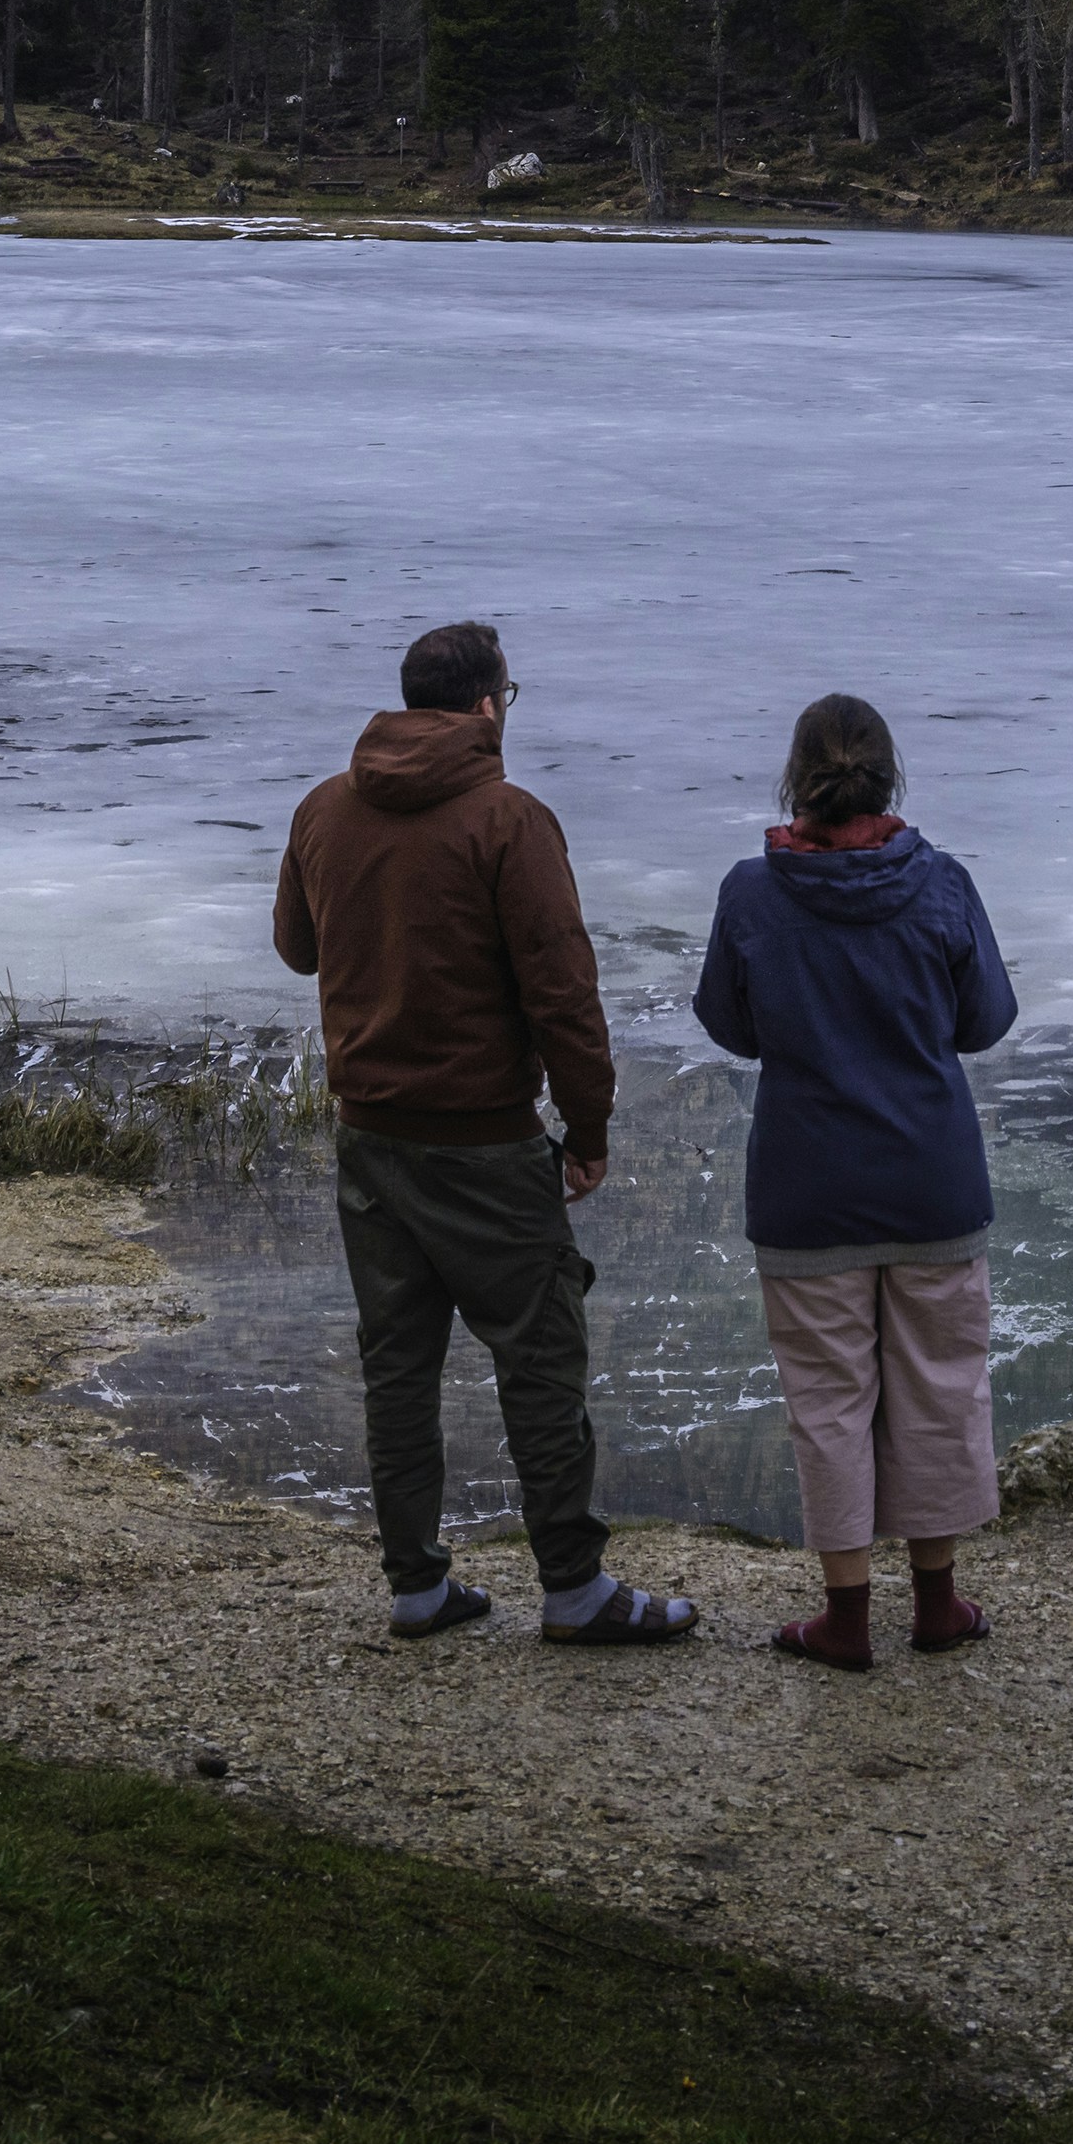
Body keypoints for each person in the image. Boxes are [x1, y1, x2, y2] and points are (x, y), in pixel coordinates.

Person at [270, 618, 698, 1648]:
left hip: (371, 1141)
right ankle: (573, 1586)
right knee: (541, 1356)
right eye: (512, 695)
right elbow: (565, 996)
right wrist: (586, 1126)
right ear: (486, 707)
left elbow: (296, 948)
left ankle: (418, 1585)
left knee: (400, 1367)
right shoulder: (509, 821)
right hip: (486, 1142)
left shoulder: (325, 808)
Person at [687, 691, 1018, 1670]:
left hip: (806, 1187)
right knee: (941, 1390)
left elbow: (728, 1023)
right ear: (889, 775)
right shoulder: (943, 885)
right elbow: (986, 1018)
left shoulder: (753, 893)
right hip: (932, 1182)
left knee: (828, 1401)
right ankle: (937, 1603)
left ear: (798, 777)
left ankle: (843, 1617)